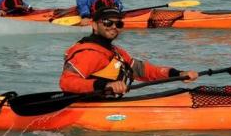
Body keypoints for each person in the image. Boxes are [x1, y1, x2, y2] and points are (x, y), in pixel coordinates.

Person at [60, 7, 198, 95]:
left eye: (118, 24)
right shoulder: (88, 53)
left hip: (108, 105)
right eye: (108, 22)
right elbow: (67, 83)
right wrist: (106, 85)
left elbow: (143, 71)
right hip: (89, 107)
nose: (114, 27)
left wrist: (177, 74)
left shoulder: (116, 52)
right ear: (95, 25)